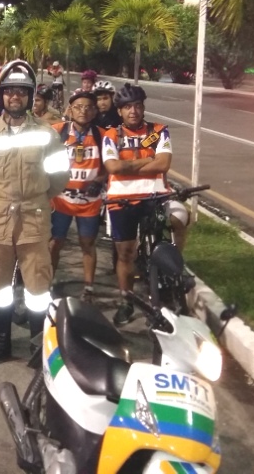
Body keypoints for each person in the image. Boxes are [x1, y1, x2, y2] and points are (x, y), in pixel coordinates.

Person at [0, 61, 69, 366]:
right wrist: (2, 198)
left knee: (38, 289)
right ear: (2, 96)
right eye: (10, 91)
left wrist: (34, 198)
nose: (15, 97)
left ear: (29, 97)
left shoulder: (47, 134)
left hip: (33, 220)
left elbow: (59, 177)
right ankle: (0, 343)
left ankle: (40, 349)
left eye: (21, 92)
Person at [101, 83, 174, 326]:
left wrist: (127, 167)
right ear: (119, 111)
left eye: (138, 106)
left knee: (161, 247)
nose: (133, 111)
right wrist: (146, 161)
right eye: (127, 107)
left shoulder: (158, 131)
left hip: (154, 196)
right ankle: (126, 300)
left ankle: (165, 292)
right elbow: (113, 168)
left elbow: (163, 164)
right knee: (125, 254)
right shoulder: (111, 136)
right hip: (121, 200)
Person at [50, 89, 105, 302]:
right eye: (78, 107)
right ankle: (48, 282)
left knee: (87, 243)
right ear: (69, 110)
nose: (83, 111)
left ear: (95, 111)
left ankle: (89, 288)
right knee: (55, 243)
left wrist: (99, 180)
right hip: (61, 199)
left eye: (89, 107)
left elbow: (110, 164)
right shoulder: (57, 131)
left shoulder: (103, 135)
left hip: (88, 201)